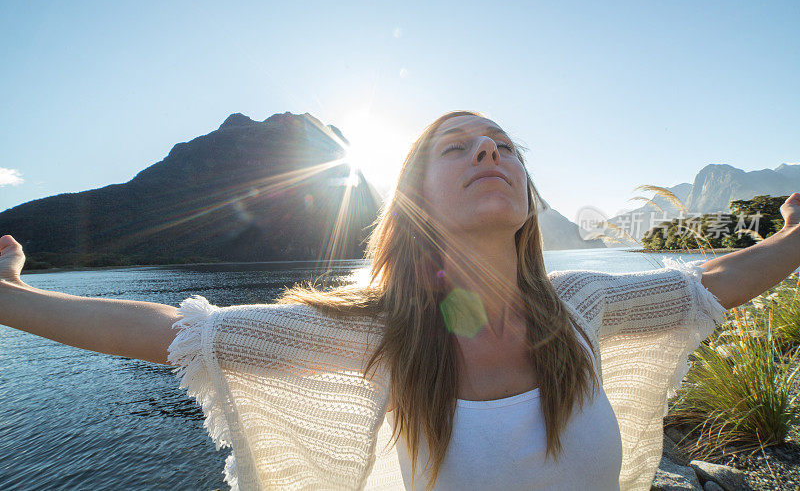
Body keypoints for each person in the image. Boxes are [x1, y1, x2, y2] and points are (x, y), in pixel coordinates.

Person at [1, 110, 799, 491]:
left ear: (526, 191)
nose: (491, 149)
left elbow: (714, 282)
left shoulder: (584, 304)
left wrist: (792, 234)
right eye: (456, 146)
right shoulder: (375, 334)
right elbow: (175, 331)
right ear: (414, 205)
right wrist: (12, 298)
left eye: (505, 146)